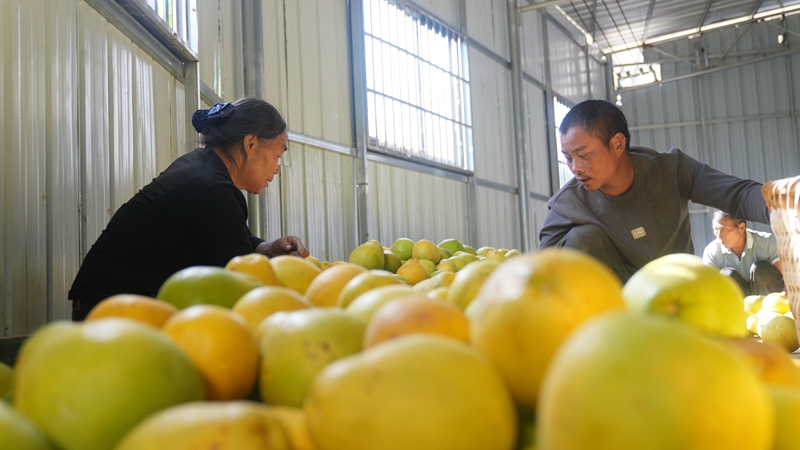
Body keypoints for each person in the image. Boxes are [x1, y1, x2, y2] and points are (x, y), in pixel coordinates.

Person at [69, 98, 309, 320]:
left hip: (113, 300)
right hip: (110, 309)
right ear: (251, 144)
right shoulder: (212, 188)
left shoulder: (204, 166)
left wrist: (270, 248)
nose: (277, 169)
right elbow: (242, 279)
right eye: (277, 155)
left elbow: (234, 240)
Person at [538, 99, 770, 281]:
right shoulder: (568, 204)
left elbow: (737, 194)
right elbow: (538, 272)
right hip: (617, 305)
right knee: (580, 240)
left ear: (618, 144)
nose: (575, 168)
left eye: (583, 155)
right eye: (568, 158)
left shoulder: (671, 170)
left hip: (679, 288)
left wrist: (779, 208)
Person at [702, 210, 784, 295]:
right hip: (736, 301)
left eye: (723, 229)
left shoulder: (767, 242)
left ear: (741, 227)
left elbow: (788, 278)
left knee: (760, 268)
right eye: (715, 230)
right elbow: (709, 288)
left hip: (770, 299)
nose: (718, 236)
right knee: (727, 275)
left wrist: (784, 296)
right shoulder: (711, 252)